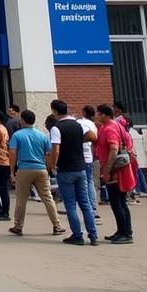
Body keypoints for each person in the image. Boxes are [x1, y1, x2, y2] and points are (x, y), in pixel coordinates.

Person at [49, 100, 98, 246]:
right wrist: (78, 142)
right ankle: (93, 235)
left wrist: (53, 165)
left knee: (70, 204)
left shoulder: (56, 128)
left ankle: (77, 235)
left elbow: (56, 149)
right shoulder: (79, 124)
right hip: (81, 168)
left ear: (55, 112)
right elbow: (93, 136)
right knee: (85, 203)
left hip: (66, 169)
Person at [7, 109, 63, 237]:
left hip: (24, 169)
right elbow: (48, 153)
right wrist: (49, 168)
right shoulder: (42, 135)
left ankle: (18, 226)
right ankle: (57, 225)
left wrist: (12, 171)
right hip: (41, 168)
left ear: (22, 121)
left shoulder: (17, 135)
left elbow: (13, 153)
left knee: (21, 200)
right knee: (48, 198)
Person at [94, 103, 136, 244]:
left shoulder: (110, 128)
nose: (97, 116)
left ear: (105, 115)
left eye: (99, 114)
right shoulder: (115, 125)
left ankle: (126, 233)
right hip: (118, 169)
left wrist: (107, 169)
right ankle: (122, 231)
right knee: (120, 201)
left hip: (115, 171)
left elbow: (113, 148)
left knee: (117, 202)